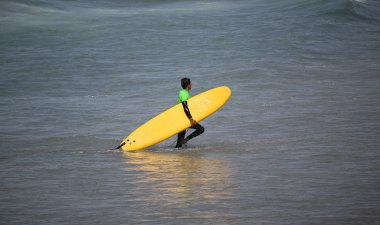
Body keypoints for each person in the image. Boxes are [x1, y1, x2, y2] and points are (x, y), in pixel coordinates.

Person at [175, 78, 205, 148]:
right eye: (191, 83)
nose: (191, 84)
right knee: (201, 129)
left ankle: (177, 155)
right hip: (184, 119)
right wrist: (190, 118)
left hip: (182, 118)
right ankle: (186, 140)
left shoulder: (183, 92)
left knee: (179, 143)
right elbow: (185, 106)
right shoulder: (184, 93)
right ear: (188, 85)